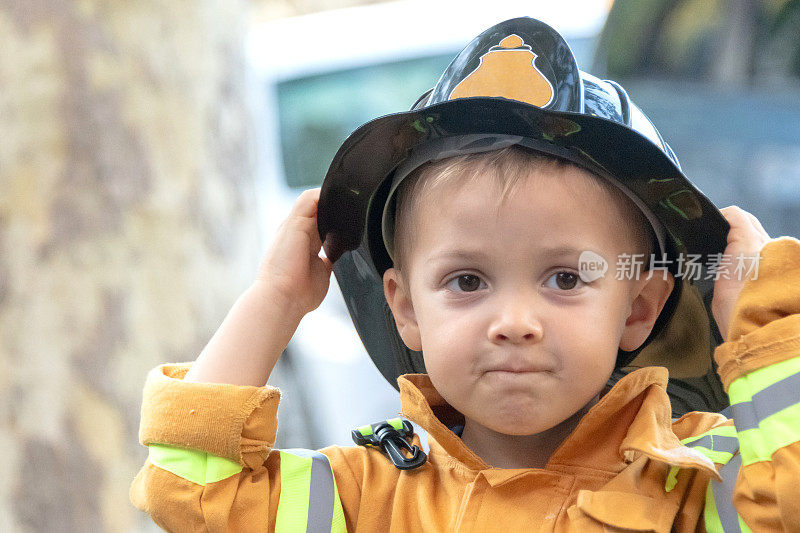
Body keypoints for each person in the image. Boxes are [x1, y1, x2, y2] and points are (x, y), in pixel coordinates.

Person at [130, 17, 800, 531]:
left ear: (638, 308)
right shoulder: (368, 497)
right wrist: (273, 299)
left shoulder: (697, 480)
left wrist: (763, 323)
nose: (514, 322)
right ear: (406, 307)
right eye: (467, 281)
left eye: (565, 278)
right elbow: (193, 487)